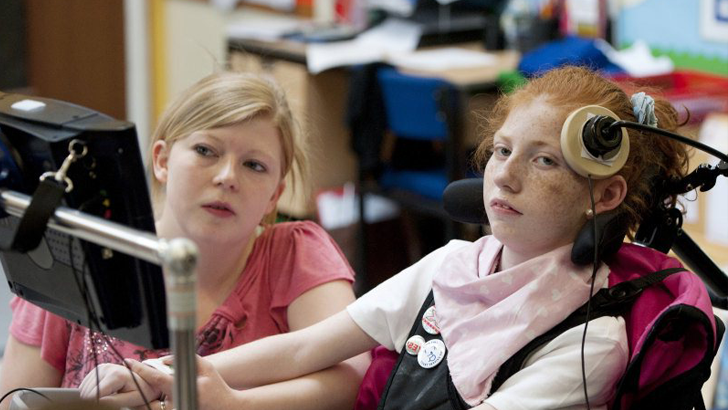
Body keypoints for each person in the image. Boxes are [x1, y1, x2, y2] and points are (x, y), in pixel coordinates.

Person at [81, 65, 691, 410]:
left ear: (605, 196)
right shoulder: (452, 265)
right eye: (502, 150)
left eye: (544, 162)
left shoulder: (590, 338)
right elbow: (304, 349)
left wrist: (229, 406)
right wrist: (170, 373)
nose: (502, 173)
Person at [0, 71, 369, 410]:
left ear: (275, 195)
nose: (227, 177)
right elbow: (14, 399)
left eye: (254, 165)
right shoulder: (82, 249)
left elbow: (353, 378)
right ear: (162, 160)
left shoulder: (296, 253)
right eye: (206, 151)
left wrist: (233, 405)